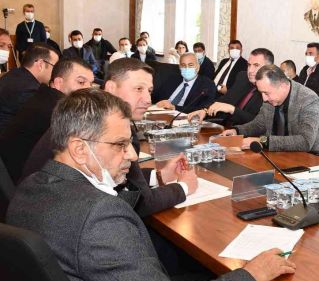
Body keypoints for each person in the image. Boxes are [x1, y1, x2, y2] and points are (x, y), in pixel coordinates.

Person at [7, 89, 295, 281]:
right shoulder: (99, 218)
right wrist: (250, 275)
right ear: (80, 149)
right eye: (120, 145)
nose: (132, 155)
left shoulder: (32, 186)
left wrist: (160, 178)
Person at [23, 58, 196, 216]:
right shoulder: (102, 125)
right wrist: (184, 186)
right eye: (138, 89)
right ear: (111, 88)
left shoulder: (89, 113)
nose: (147, 99)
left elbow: (114, 175)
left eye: (149, 91)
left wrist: (159, 175)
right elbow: (139, 202)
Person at [0, 58, 94, 183]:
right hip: (22, 182)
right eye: (81, 82)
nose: (88, 89)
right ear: (58, 83)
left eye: (91, 84)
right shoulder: (58, 111)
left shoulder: (45, 97)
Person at [223, 65, 319, 152]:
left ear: (283, 86)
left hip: (316, 157)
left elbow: (305, 142)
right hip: (282, 153)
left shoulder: (308, 99)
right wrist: (237, 131)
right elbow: (259, 124)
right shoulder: (270, 98)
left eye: (266, 93)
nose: (264, 98)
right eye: (261, 93)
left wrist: (262, 141)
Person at [188, 48, 272, 126]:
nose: (250, 70)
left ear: (268, 68)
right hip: (226, 127)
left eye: (256, 65)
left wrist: (232, 109)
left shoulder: (271, 89)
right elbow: (225, 99)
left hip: (247, 133)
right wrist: (205, 111)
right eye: (249, 65)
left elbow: (260, 124)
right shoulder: (243, 77)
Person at [0, 43, 59, 130]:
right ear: (41, 64)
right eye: (54, 67)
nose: (56, 72)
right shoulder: (28, 89)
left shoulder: (14, 73)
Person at [153, 52, 217, 113]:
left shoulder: (207, 84)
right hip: (160, 111)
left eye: (190, 65)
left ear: (198, 67)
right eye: (183, 65)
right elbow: (157, 95)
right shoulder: (172, 79)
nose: (186, 68)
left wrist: (174, 107)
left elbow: (203, 108)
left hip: (183, 117)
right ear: (179, 67)